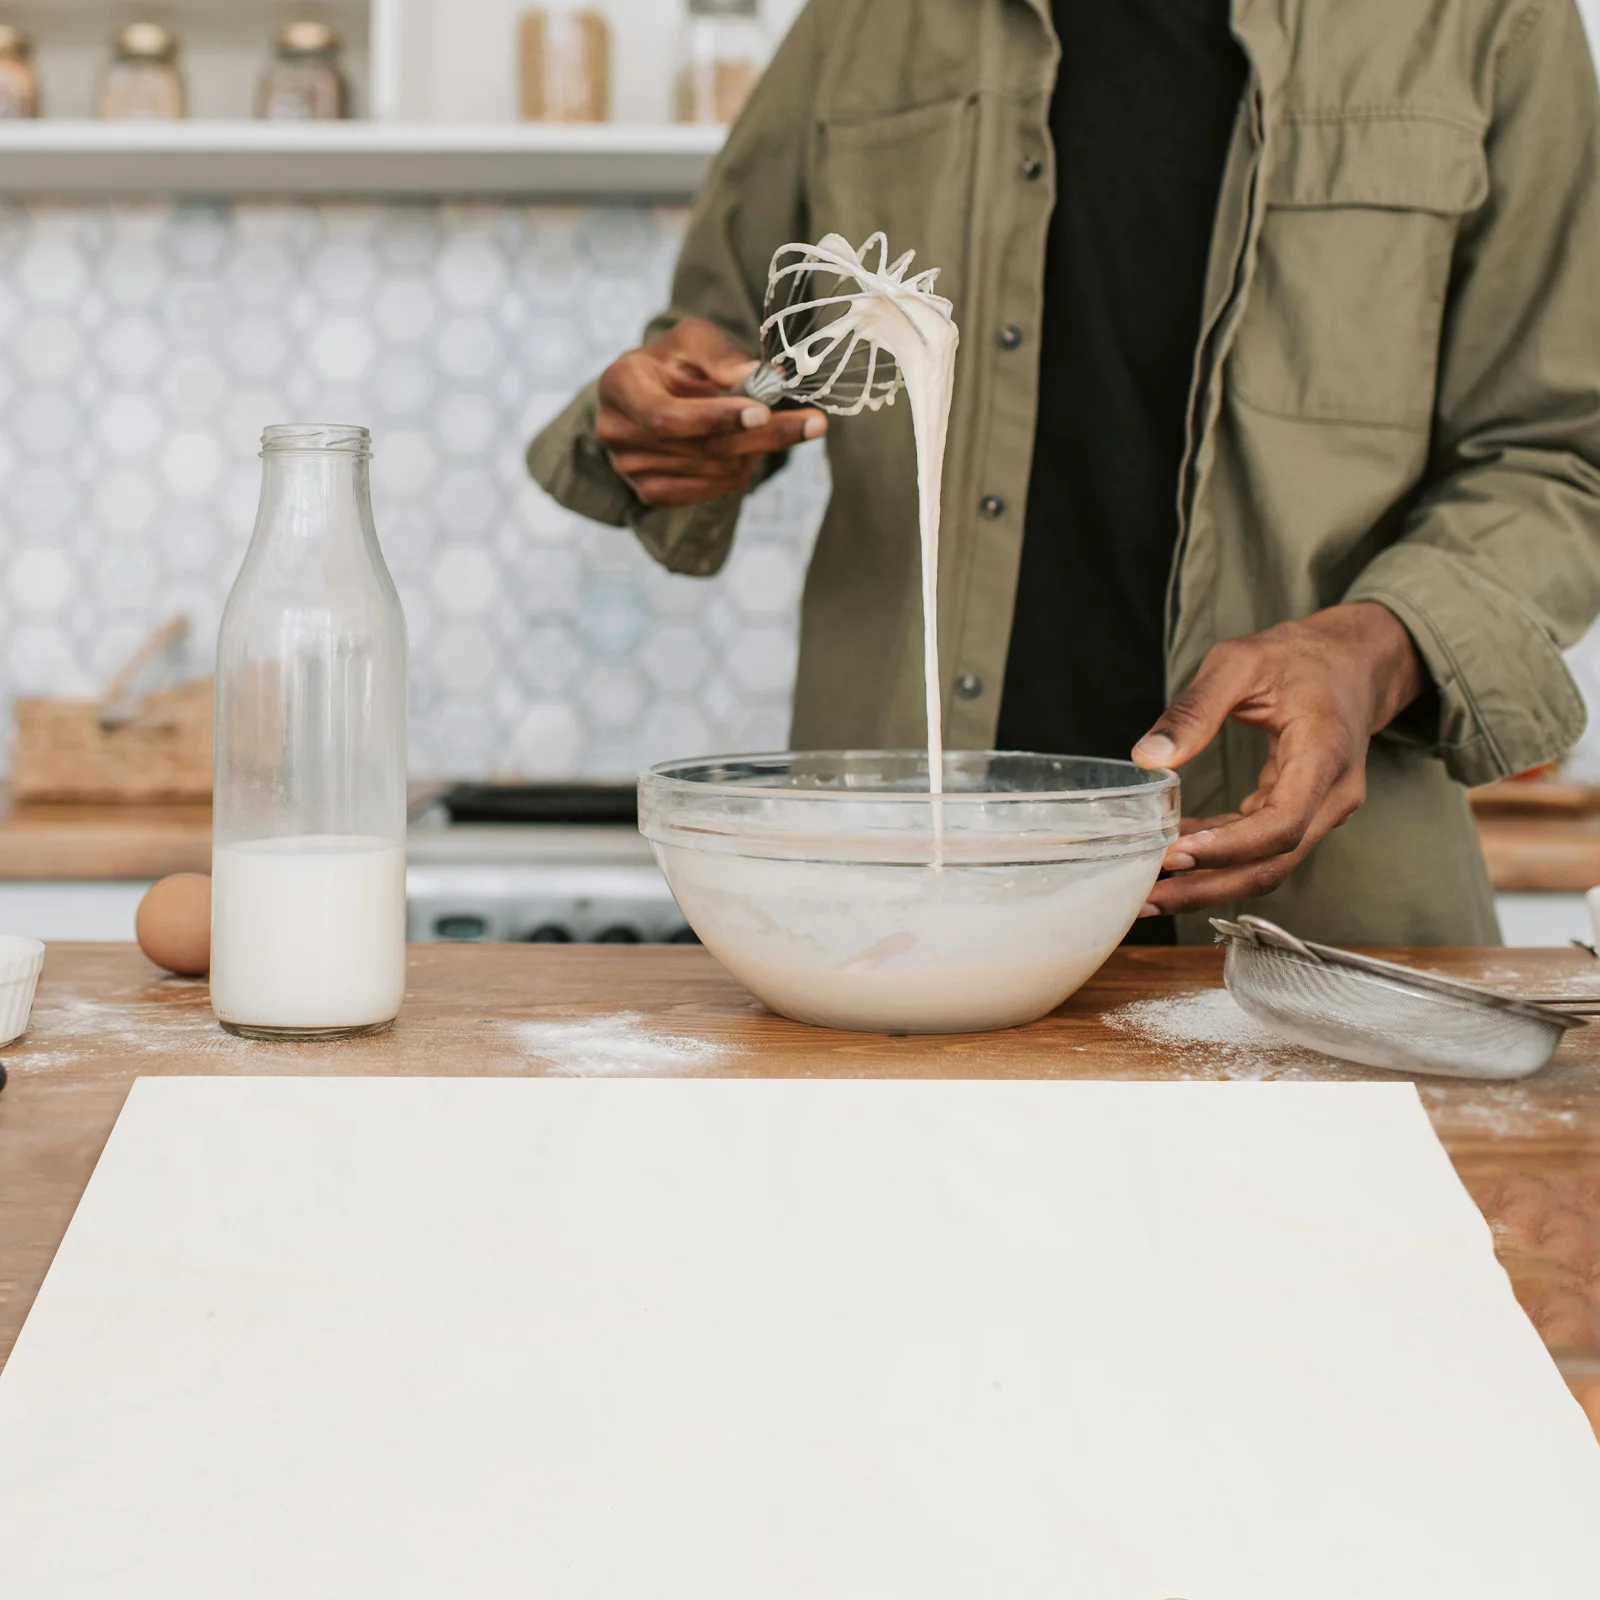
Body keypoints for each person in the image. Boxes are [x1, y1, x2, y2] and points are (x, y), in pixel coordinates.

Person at [529, 0, 1600, 946]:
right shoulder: (862, 17)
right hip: (897, 917)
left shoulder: (1486, 16)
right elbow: (727, 348)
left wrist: (1374, 648)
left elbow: (1562, 451)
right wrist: (677, 414)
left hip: (1323, 933)